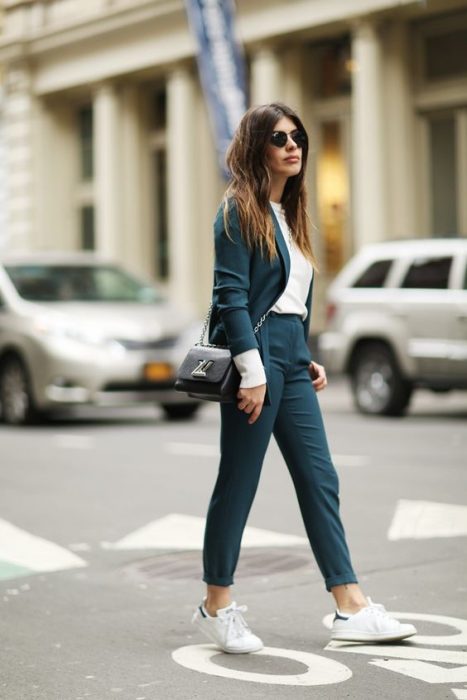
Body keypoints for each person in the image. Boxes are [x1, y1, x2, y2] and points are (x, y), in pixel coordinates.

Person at [192, 102, 416, 653]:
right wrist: (252, 371)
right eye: (279, 138)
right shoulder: (237, 211)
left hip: (290, 358)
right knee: (238, 484)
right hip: (258, 361)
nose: (293, 145)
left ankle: (350, 605)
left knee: (320, 479)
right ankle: (216, 605)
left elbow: (287, 299)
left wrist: (305, 352)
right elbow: (232, 299)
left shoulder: (288, 214)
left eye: (298, 137)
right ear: (255, 147)